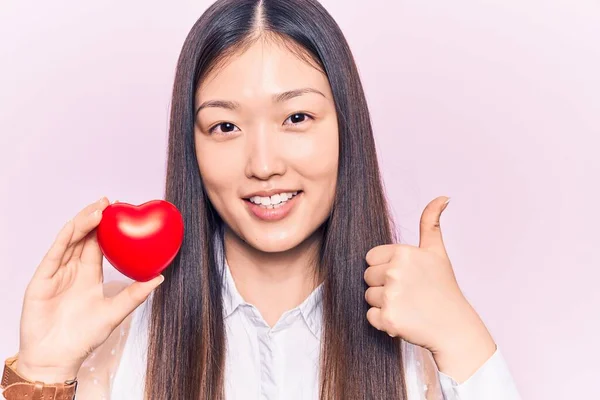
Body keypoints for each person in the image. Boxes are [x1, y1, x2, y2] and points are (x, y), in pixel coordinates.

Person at [1, 0, 522, 399]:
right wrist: (41, 373)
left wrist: (463, 340)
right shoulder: (118, 333)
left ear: (347, 127)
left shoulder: (423, 333)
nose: (264, 163)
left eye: (297, 118)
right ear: (193, 145)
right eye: (225, 126)